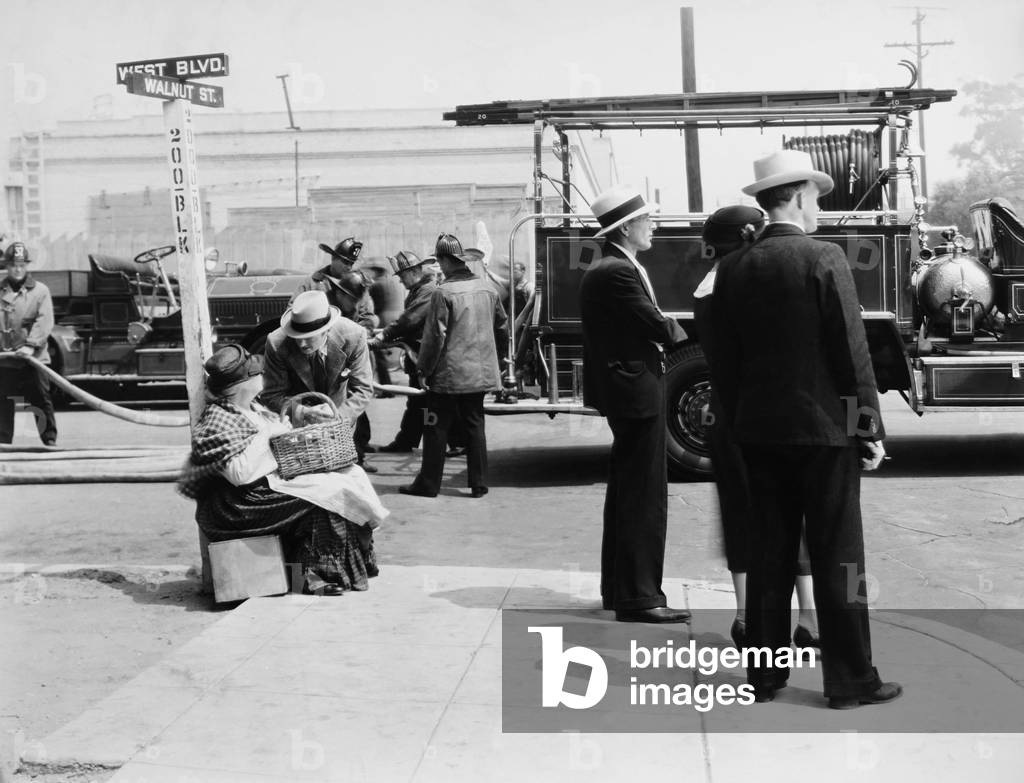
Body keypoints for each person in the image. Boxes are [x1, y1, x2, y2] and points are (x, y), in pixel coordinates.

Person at [711, 149, 899, 709]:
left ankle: (766, 677)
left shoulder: (735, 267)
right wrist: (868, 429)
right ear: (794, 195)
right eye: (815, 197)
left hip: (760, 435)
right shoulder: (824, 259)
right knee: (838, 556)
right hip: (823, 435)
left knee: (769, 554)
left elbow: (723, 358)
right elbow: (851, 354)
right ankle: (850, 681)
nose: (818, 207)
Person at [692, 206, 819, 649]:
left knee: (741, 516)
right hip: (766, 414)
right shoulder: (749, 280)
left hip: (730, 416)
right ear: (748, 234)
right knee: (791, 513)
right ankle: (807, 621)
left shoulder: (711, 283)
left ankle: (748, 619)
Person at [178, 344, 385, 595]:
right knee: (325, 497)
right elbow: (239, 475)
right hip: (237, 504)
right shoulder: (219, 418)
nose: (262, 377)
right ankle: (312, 578)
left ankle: (327, 570)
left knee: (348, 477)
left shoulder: (252, 408)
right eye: (257, 375)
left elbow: (270, 448)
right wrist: (270, 434)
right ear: (243, 385)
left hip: (262, 489)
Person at [579, 185, 689, 624]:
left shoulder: (615, 266)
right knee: (643, 496)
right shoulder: (617, 272)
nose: (653, 227)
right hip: (636, 392)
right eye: (647, 220)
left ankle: (624, 591)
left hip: (631, 389)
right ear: (626, 228)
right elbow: (657, 326)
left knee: (630, 492)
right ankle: (641, 598)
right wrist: (684, 331)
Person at [399, 234, 506, 498]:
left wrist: (423, 369)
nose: (439, 266)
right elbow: (502, 328)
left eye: (440, 261)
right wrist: (500, 361)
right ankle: (479, 484)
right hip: (480, 374)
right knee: (475, 425)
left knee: (434, 425)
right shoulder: (488, 289)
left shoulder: (443, 292)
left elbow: (435, 336)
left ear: (447, 261)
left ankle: (428, 483)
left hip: (448, 376)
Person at [262, 290, 374, 470]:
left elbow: (363, 390)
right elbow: (271, 395)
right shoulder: (276, 343)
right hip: (296, 430)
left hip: (340, 421)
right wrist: (303, 413)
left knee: (341, 474)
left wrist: (337, 418)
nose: (302, 344)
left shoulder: (354, 336)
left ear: (327, 330)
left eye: (308, 338)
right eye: (297, 338)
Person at [367, 250, 437, 453]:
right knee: (418, 401)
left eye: (402, 275)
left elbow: (410, 319)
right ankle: (407, 441)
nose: (400, 281)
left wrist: (384, 335)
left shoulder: (428, 291)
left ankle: (455, 442)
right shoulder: (420, 290)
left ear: (414, 271)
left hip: (427, 355)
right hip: (419, 353)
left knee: (427, 402)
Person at [0, 242, 57, 446]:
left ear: (27, 266)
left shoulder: (40, 291)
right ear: (7, 266)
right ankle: (3, 443)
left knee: (40, 399)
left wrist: (31, 345)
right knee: (3, 401)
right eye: (14, 264)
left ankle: (49, 440)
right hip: (5, 359)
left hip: (33, 358)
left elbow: (44, 320)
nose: (18, 269)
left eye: (22, 265)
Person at [298, 237, 379, 330]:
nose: (348, 267)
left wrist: (358, 333)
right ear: (333, 258)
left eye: (351, 263)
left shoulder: (358, 283)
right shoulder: (312, 283)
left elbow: (368, 316)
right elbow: (294, 310)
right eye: (345, 262)